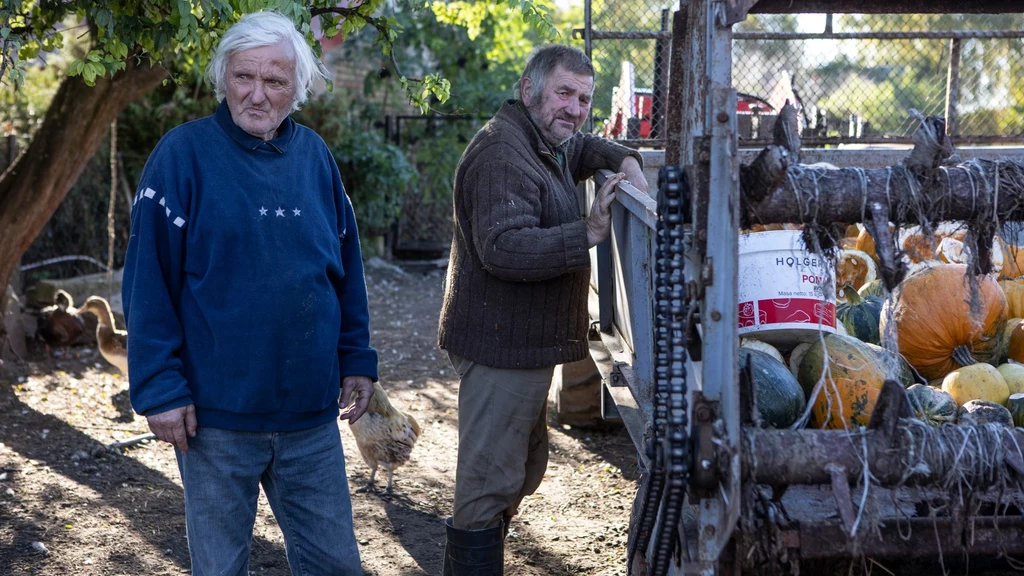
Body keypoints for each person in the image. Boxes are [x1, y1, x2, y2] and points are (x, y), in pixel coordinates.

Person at [122, 11, 377, 576]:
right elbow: (148, 283)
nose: (257, 95)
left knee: (336, 565)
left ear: (298, 88)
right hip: (214, 420)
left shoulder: (315, 158)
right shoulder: (181, 156)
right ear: (223, 77)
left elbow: (345, 268)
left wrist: (357, 358)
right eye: (244, 77)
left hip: (310, 416)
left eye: (275, 81)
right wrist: (159, 388)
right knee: (219, 569)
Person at [437, 44, 649, 574]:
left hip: (522, 345)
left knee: (523, 469)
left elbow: (581, 149)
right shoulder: (501, 156)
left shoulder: (544, 142)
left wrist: (623, 158)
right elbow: (504, 248)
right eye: (563, 93)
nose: (574, 109)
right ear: (528, 90)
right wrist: (590, 232)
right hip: (499, 345)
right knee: (488, 486)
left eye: (583, 98)